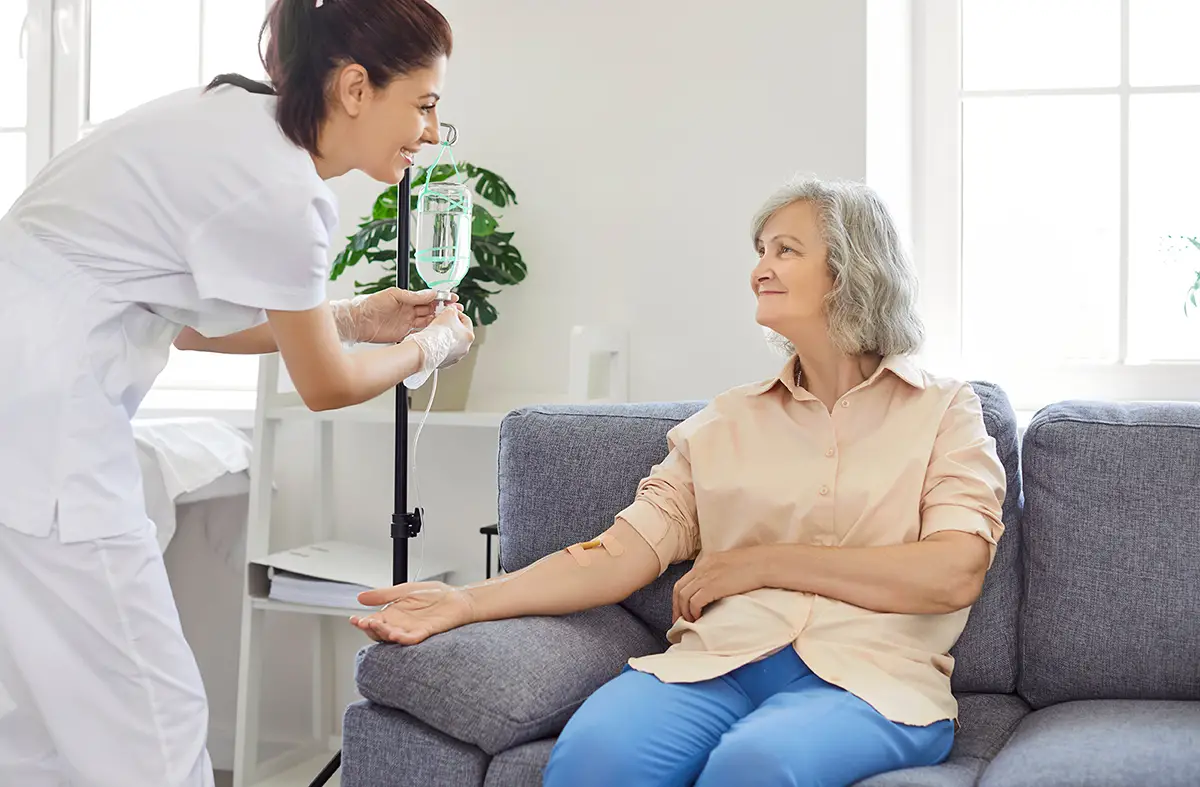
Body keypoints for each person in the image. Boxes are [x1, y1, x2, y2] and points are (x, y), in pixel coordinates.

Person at [350, 177, 1007, 787]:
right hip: (716, 661)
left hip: (871, 680)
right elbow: (616, 554)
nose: (759, 268)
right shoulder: (725, 423)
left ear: (850, 269)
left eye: (786, 249)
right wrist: (467, 602)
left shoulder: (943, 411)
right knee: (593, 755)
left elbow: (952, 572)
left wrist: (760, 563)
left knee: (756, 764)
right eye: (759, 250)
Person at [0, 1, 472, 784]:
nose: (428, 130)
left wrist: (352, 315)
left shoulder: (233, 123)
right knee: (153, 714)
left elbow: (192, 325)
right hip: (48, 423)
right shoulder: (285, 190)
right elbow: (323, 383)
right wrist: (434, 344)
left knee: (45, 716)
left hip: (23, 399)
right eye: (423, 104)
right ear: (357, 87)